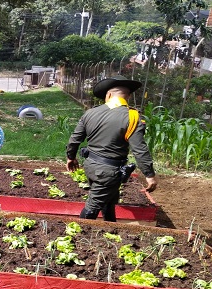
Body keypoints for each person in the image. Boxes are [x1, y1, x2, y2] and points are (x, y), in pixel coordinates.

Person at [65, 75, 158, 222]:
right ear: (128, 96)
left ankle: (111, 226)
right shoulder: (132, 117)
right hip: (109, 172)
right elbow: (139, 149)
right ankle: (79, 230)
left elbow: (75, 139)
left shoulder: (90, 113)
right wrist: (149, 175)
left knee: (109, 200)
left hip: (90, 165)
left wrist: (70, 157)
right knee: (93, 206)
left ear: (108, 95)